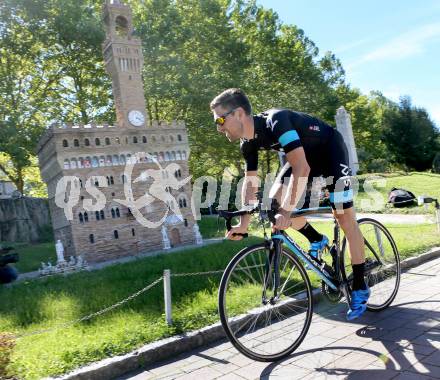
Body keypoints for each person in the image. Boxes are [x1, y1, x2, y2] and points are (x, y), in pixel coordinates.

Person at [210, 88, 370, 320]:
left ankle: (359, 285)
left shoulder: (276, 121)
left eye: (221, 120)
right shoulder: (248, 144)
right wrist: (244, 223)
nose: (219, 127)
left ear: (240, 113)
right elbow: (250, 182)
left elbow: (301, 169)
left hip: (329, 151)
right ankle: (317, 239)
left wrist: (287, 210)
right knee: (273, 206)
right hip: (304, 157)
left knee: (344, 216)